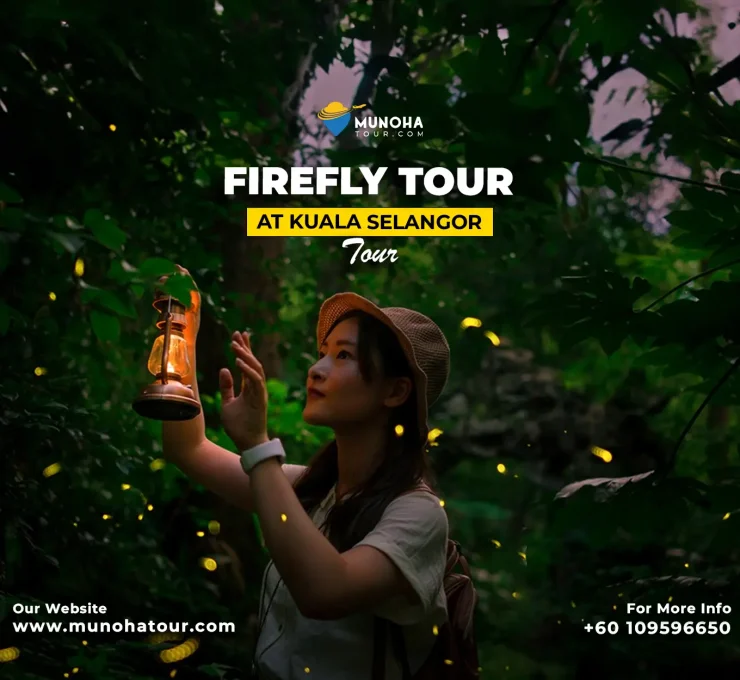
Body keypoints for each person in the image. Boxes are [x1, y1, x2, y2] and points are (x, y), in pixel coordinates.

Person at [162, 266, 452, 679]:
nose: (317, 369)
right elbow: (187, 448)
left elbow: (325, 592)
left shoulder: (418, 516)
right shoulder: (312, 490)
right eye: (323, 353)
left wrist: (256, 445)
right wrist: (179, 335)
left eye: (344, 356)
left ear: (395, 391)